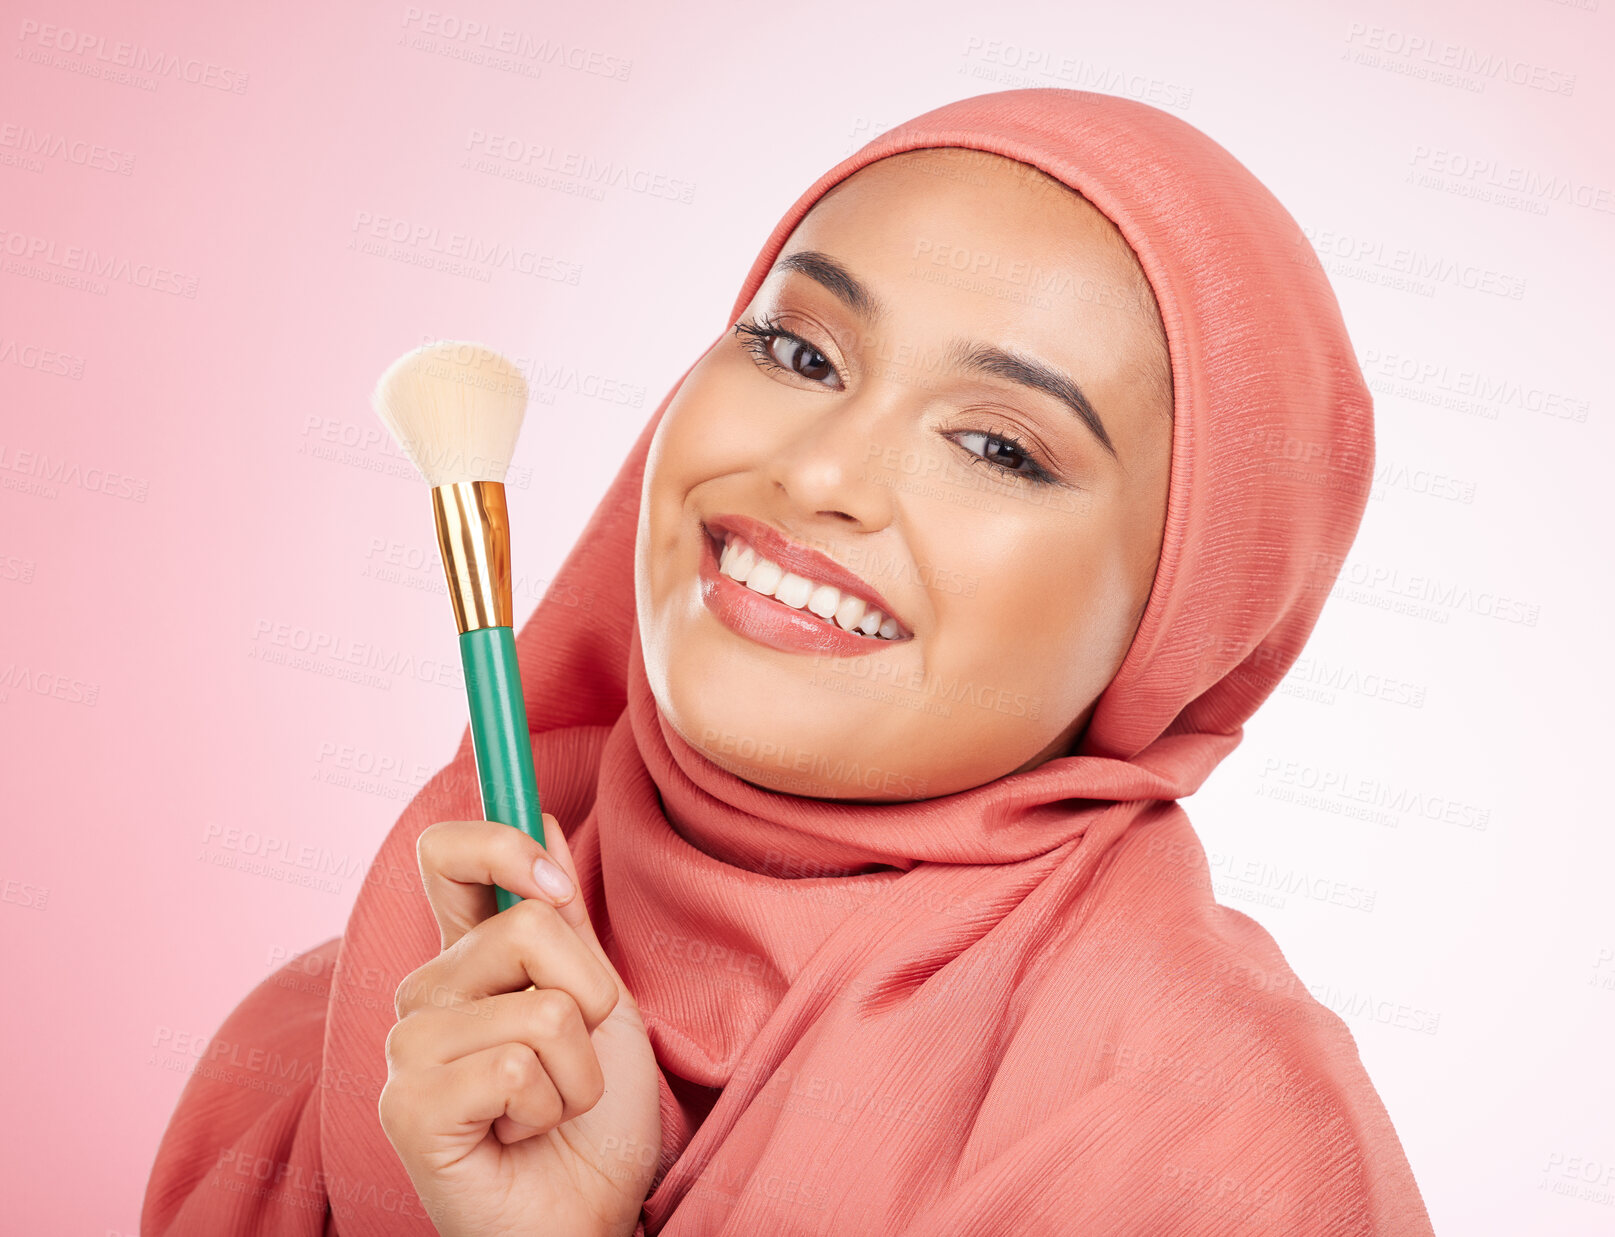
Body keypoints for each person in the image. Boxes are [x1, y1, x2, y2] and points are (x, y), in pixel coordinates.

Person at [143, 87, 1437, 1236]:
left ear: (1179, 621)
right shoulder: (313, 1059)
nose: (818, 470)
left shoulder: (1224, 1153)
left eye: (998, 446)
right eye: (800, 351)